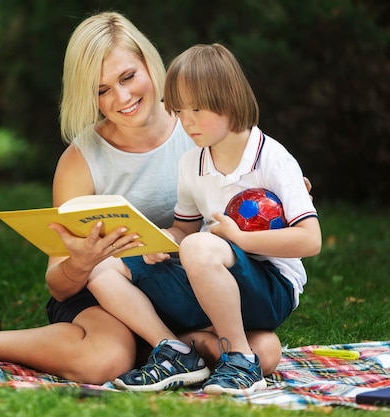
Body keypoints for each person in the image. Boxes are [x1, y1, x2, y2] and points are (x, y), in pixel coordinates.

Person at [0, 13, 287, 385]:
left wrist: (284, 189)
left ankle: (169, 348)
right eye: (101, 90)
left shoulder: (200, 126)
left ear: (149, 64)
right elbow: (59, 284)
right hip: (104, 289)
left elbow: (258, 181)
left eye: (128, 77)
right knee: (104, 359)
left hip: (181, 287)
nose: (122, 97)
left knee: (265, 353)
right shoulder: (79, 160)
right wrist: (83, 261)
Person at [99, 43, 322, 395]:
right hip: (212, 280)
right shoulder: (192, 163)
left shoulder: (274, 160)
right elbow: (184, 231)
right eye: (179, 110)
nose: (186, 121)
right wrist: (156, 242)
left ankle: (240, 359)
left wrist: (239, 238)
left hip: (270, 287)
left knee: (204, 245)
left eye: (197, 109)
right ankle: (175, 352)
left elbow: (311, 240)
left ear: (230, 101)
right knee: (106, 267)